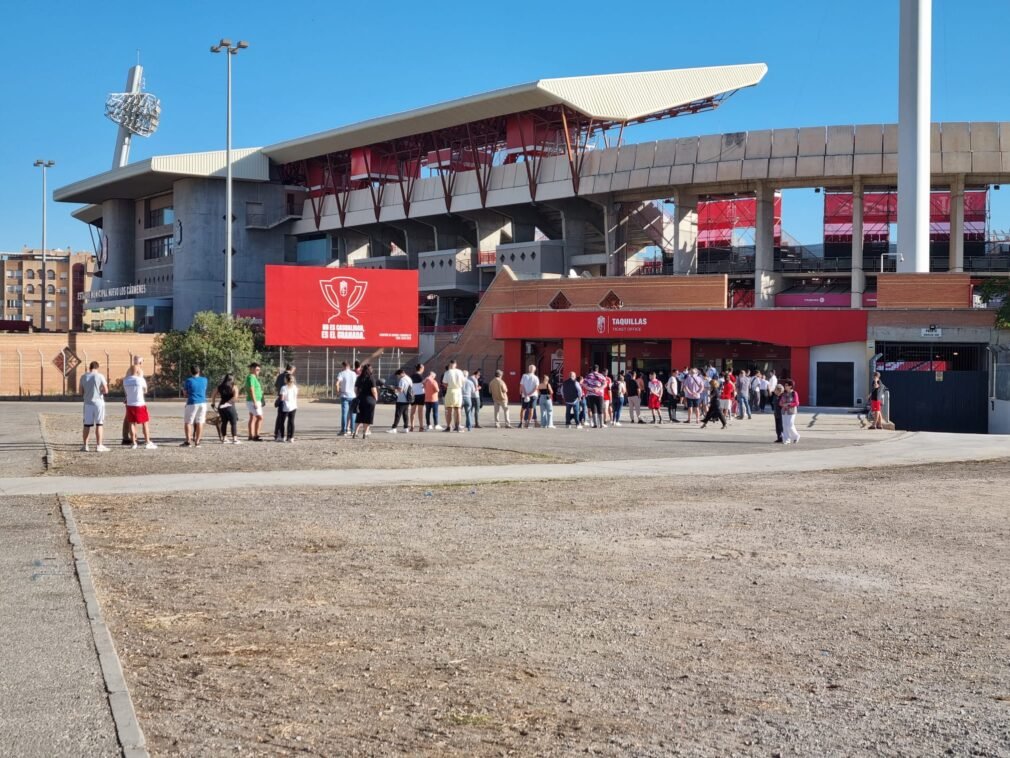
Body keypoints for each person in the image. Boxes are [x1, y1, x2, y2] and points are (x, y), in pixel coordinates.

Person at [123, 363, 157, 449]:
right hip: (140, 404)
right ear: (138, 371)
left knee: (131, 424)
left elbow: (126, 389)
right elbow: (145, 391)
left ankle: (134, 442)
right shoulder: (140, 380)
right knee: (145, 423)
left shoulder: (126, 381)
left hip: (130, 404)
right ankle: (147, 442)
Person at [80, 361, 109, 452]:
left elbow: (81, 392)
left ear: (90, 367)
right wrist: (100, 391)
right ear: (97, 368)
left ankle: (85, 446)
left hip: (88, 403)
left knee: (86, 425)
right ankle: (99, 445)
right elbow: (106, 390)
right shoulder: (100, 376)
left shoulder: (83, 377)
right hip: (98, 402)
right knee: (99, 424)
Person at [182, 365, 209, 447]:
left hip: (192, 402)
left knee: (188, 422)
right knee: (200, 422)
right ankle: (197, 441)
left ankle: (188, 441)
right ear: (199, 371)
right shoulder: (205, 380)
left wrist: (185, 392)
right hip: (203, 402)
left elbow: (185, 394)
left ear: (191, 372)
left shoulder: (189, 381)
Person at [210, 373, 241, 444]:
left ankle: (224, 438)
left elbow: (213, 394)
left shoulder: (220, 386)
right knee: (233, 422)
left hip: (221, 406)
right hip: (230, 406)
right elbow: (235, 397)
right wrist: (229, 402)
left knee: (224, 422)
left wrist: (213, 403)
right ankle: (235, 439)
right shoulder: (234, 386)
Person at [121, 355, 145, 445]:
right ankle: (131, 438)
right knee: (131, 418)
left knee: (129, 417)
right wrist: (128, 395)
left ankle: (129, 437)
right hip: (134, 398)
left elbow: (126, 383)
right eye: (141, 362)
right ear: (140, 362)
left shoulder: (131, 370)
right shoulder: (137, 371)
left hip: (132, 397)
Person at [352, 364, 378, 438]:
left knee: (359, 416)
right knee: (368, 417)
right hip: (369, 399)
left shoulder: (359, 378)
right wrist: (376, 398)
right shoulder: (371, 378)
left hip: (360, 399)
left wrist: (358, 395)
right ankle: (365, 433)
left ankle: (355, 432)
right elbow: (374, 390)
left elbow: (355, 389)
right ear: (370, 370)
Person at [442, 360, 466, 432]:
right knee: (458, 409)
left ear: (450, 365)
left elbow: (445, 383)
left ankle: (449, 427)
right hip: (458, 391)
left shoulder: (447, 372)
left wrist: (449, 386)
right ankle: (457, 426)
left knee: (449, 410)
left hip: (450, 390)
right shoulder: (460, 372)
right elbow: (463, 381)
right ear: (456, 364)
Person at [244, 362, 265, 441]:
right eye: (257, 370)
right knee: (260, 418)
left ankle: (251, 435)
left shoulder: (253, 377)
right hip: (253, 401)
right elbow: (251, 389)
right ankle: (256, 435)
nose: (258, 371)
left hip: (254, 400)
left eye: (259, 370)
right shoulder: (251, 377)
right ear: (252, 369)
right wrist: (255, 401)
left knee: (252, 418)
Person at [388, 368, 412, 433]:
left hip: (401, 399)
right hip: (408, 399)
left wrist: (393, 389)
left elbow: (400, 390)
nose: (397, 377)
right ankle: (406, 428)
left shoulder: (402, 379)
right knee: (405, 414)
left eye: (398, 375)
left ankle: (394, 428)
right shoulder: (409, 378)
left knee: (398, 414)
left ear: (401, 374)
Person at [336, 361, 357, 436]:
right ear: (349, 366)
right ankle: (353, 430)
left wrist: (338, 391)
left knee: (344, 414)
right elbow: (356, 385)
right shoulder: (354, 374)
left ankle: (343, 430)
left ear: (343, 366)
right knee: (353, 414)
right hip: (353, 395)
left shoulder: (341, 373)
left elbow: (337, 383)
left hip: (344, 395)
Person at [277, 369, 298, 442]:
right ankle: (291, 437)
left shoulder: (284, 388)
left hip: (285, 406)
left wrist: (278, 402)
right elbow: (295, 397)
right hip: (293, 406)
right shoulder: (295, 387)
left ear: (286, 380)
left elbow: (282, 398)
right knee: (291, 422)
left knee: (282, 422)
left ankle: (282, 437)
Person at [273, 362, 293, 442]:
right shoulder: (291, 377)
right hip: (288, 399)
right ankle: (289, 436)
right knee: (290, 420)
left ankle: (277, 434)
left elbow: (276, 385)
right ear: (292, 369)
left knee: (280, 418)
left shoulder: (280, 376)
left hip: (280, 397)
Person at [583, 365, 606, 429]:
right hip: (599, 395)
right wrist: (599, 389)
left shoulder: (588, 376)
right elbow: (605, 384)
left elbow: (584, 385)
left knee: (593, 409)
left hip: (591, 394)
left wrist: (591, 389)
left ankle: (595, 424)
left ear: (592, 369)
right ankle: (601, 424)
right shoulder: (601, 375)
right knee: (600, 409)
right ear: (597, 369)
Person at [779, 379, 801, 444]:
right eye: (785, 385)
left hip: (791, 411)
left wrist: (788, 404)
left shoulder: (794, 393)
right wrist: (782, 404)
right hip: (784, 411)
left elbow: (797, 403)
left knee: (790, 425)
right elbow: (780, 402)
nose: (785, 386)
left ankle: (796, 436)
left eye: (786, 385)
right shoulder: (783, 394)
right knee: (785, 425)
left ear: (790, 386)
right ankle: (786, 439)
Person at [519, 364, 540, 429]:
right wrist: (529, 394)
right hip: (533, 396)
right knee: (531, 409)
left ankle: (521, 422)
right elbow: (536, 387)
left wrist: (525, 394)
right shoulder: (536, 377)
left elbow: (521, 385)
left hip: (524, 395)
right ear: (535, 370)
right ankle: (527, 423)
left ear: (529, 369)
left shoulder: (524, 376)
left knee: (523, 409)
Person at [409, 362, 426, 432]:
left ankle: (412, 426)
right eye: (423, 369)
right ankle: (421, 426)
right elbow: (423, 385)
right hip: (421, 394)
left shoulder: (411, 376)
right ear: (421, 368)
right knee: (420, 411)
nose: (423, 370)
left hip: (413, 394)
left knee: (412, 411)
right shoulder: (420, 376)